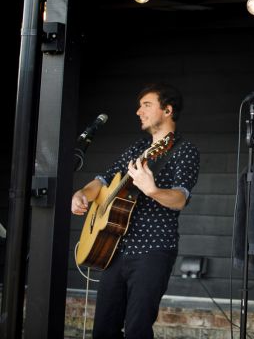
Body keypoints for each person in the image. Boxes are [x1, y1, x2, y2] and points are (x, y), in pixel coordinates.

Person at [71, 82, 200, 338]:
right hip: (114, 250)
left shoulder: (184, 151)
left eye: (146, 105)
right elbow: (103, 180)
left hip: (153, 250)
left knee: (137, 330)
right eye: (139, 106)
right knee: (103, 330)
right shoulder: (135, 149)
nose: (139, 111)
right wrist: (82, 194)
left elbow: (180, 198)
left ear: (167, 110)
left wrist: (152, 190)